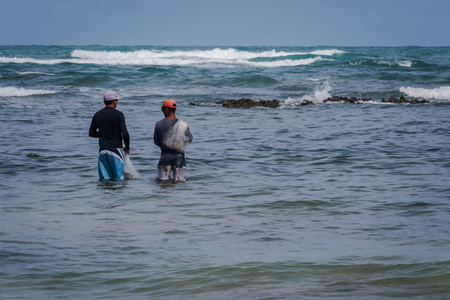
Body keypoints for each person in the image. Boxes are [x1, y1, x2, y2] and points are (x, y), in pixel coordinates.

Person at [89, 91, 130, 180]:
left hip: (102, 150)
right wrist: (127, 147)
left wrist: (104, 134)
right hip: (115, 149)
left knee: (104, 179)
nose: (117, 102)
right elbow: (125, 133)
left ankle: (106, 193)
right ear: (113, 101)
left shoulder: (97, 114)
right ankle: (119, 194)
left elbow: (91, 133)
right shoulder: (119, 115)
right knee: (119, 178)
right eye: (116, 100)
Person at [154, 99, 193, 182]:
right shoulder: (183, 124)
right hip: (180, 157)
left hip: (165, 157)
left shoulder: (159, 124)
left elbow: (156, 142)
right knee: (179, 183)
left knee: (163, 184)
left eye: (162, 109)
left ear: (167, 109)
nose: (162, 111)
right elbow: (189, 139)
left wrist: (167, 144)